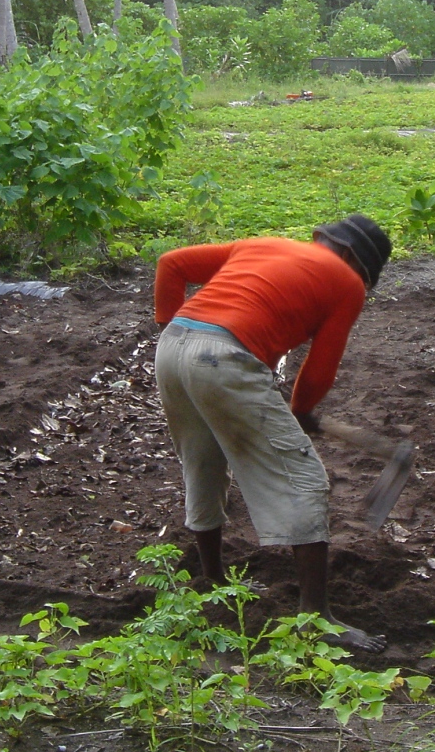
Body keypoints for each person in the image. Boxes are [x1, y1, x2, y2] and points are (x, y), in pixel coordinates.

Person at [153, 215, 392, 652]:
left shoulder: (262, 244)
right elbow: (319, 370)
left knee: (202, 463)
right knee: (304, 478)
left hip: (172, 348)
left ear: (322, 238)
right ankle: (316, 618)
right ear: (352, 258)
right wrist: (300, 411)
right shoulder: (347, 283)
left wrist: (169, 325)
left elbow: (171, 263)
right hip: (224, 357)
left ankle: (213, 584)